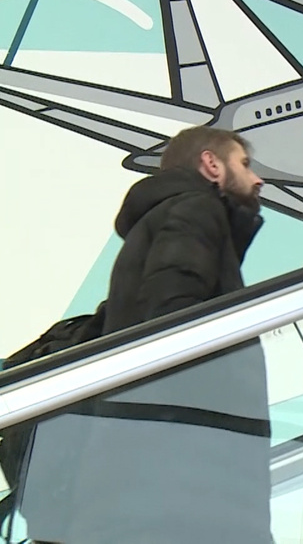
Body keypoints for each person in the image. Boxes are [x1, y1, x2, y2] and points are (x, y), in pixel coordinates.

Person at [18, 126, 274, 543]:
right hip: (185, 476)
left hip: (146, 477)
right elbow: (172, 319)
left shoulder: (157, 225)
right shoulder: (196, 208)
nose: (258, 178)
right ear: (211, 164)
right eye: (245, 164)